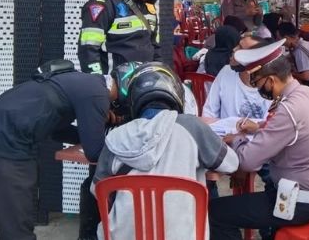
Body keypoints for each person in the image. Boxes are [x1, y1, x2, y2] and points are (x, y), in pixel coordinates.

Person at [0, 60, 115, 240]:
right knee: (16, 228)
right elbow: (94, 152)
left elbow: (56, 130)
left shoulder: (83, 83)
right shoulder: (97, 93)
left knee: (18, 218)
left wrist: (90, 131)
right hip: (3, 144)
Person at [91, 62, 239, 240]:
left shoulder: (115, 138)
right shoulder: (192, 127)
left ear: (132, 99)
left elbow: (97, 189)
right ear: (177, 93)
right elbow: (231, 164)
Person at [76, 0, 165, 238]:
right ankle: (91, 233)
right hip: (114, 100)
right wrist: (101, 100)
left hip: (146, 98)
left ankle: (131, 228)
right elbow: (88, 54)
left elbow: (156, 49)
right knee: (103, 167)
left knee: (143, 166)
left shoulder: (150, 7)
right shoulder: (103, 5)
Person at [209, 40, 309, 239]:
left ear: (272, 80)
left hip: (297, 201)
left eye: (257, 82)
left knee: (215, 213)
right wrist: (259, 128)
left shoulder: (289, 109)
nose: (257, 88)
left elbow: (248, 161)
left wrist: (237, 139)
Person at [78, 0, 166, 76]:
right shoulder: (104, 6)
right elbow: (88, 51)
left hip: (143, 84)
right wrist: (100, 85)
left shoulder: (149, 8)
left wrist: (159, 75)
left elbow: (155, 47)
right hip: (115, 85)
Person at [202, 35, 273, 121]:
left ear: (254, 59)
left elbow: (271, 125)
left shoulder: (269, 85)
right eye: (237, 45)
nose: (234, 49)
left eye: (241, 48)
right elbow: (209, 111)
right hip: (223, 133)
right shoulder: (226, 72)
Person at [277, 22, 309, 91]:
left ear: (286, 38)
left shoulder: (299, 51)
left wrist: (290, 73)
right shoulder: (303, 43)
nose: (280, 43)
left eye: (279, 39)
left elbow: (306, 77)